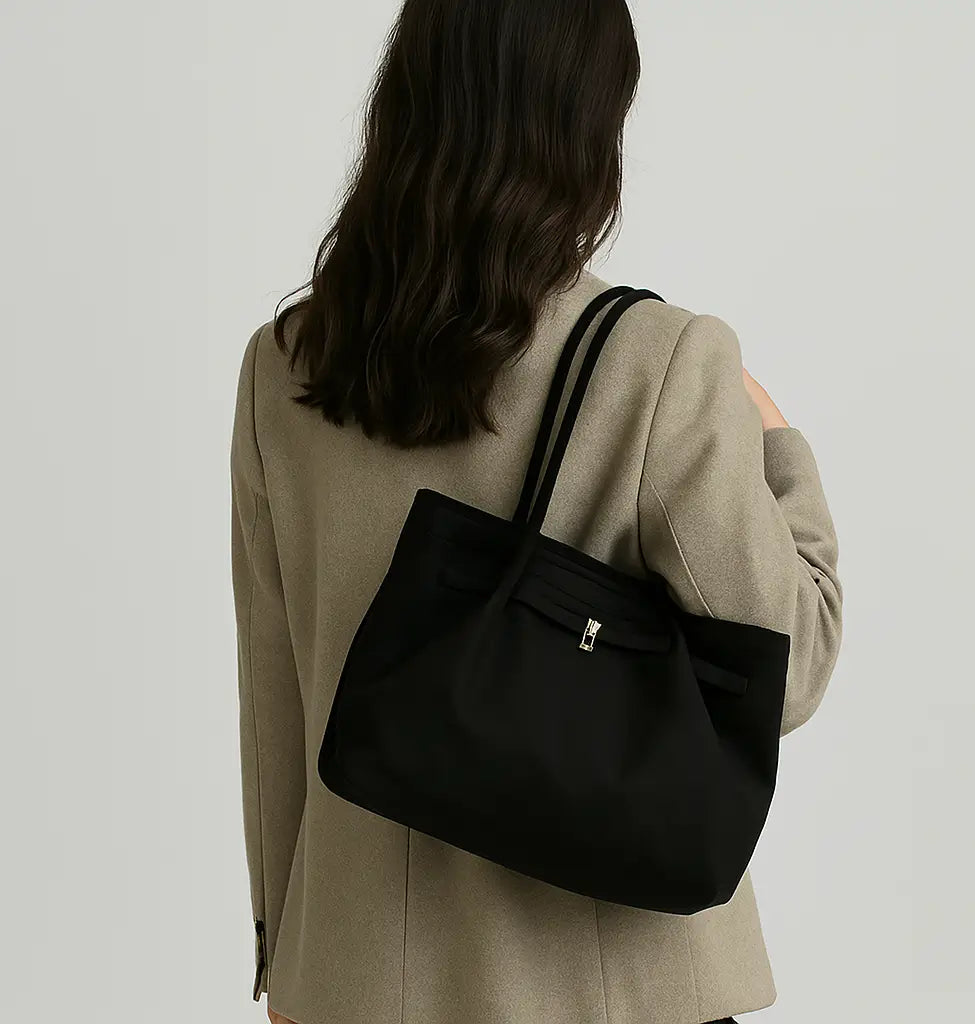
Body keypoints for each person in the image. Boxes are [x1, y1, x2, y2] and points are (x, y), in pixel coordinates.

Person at [229, 2, 843, 1022]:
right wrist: (779, 445)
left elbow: (276, 699)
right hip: (627, 992)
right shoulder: (661, 362)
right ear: (588, 124)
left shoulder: (284, 369)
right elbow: (789, 665)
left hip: (359, 980)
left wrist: (284, 956)